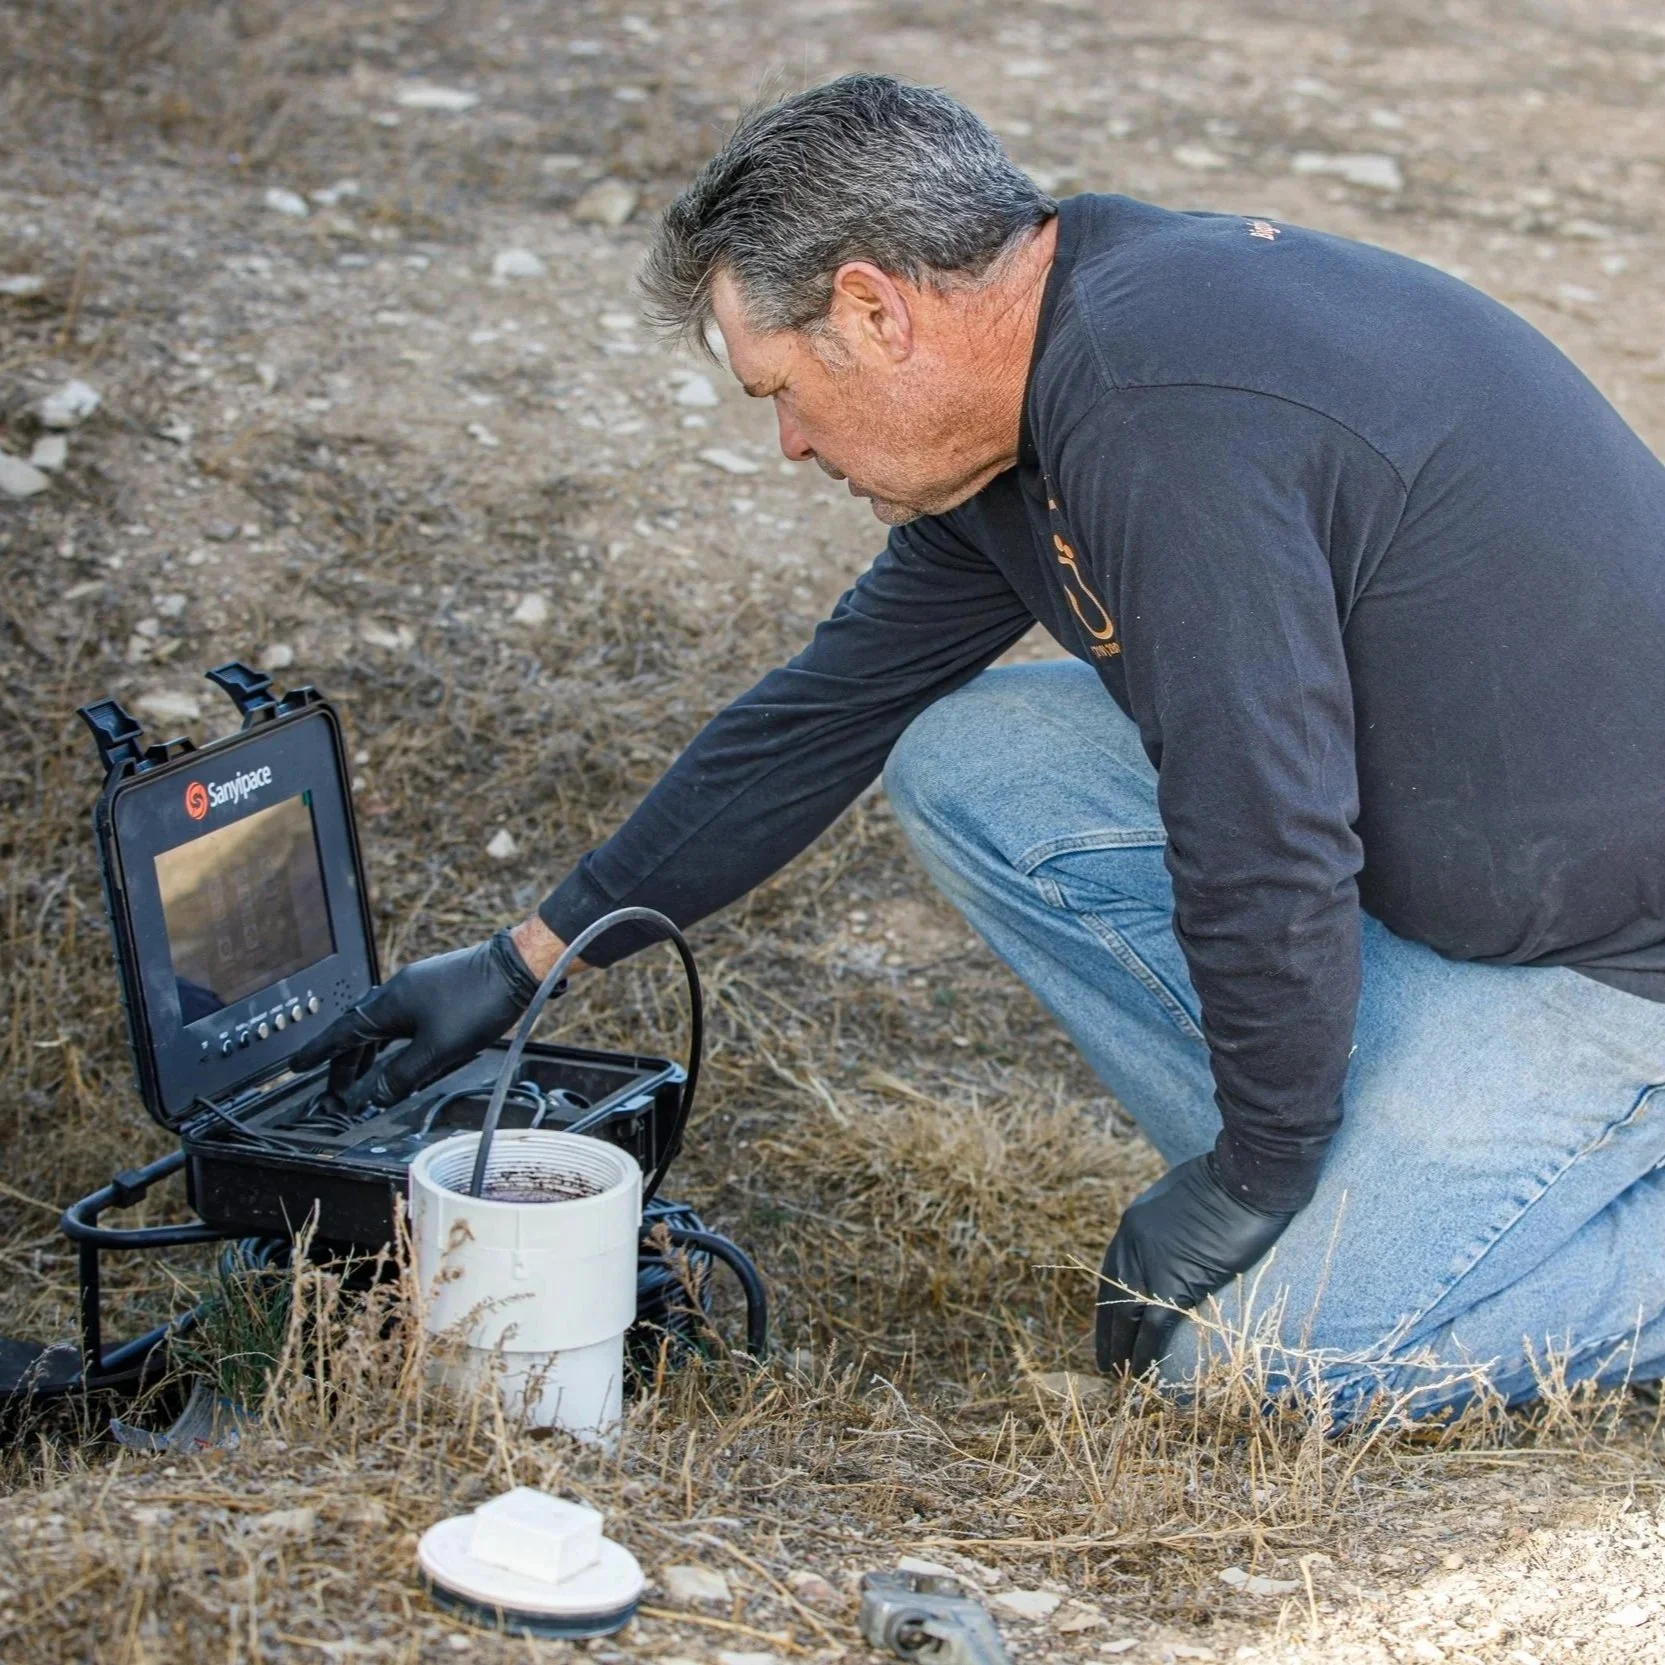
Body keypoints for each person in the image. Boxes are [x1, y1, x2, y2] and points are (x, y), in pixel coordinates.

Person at [294, 74, 1665, 1420]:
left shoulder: (1154, 411)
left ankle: (1387, 1198)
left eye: (782, 387)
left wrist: (1255, 1168)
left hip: (1617, 960)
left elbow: (1265, 825)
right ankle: (1376, 1184)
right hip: (1469, 879)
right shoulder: (1047, 385)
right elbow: (821, 713)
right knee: (971, 762)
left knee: (1257, 1370)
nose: (787, 445)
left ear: (874, 310)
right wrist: (524, 958)